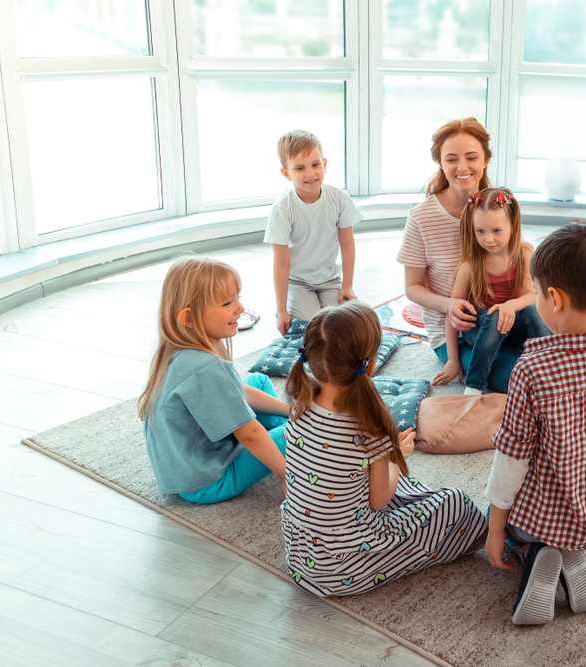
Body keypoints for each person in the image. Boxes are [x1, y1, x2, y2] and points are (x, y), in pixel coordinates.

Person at [483, 223, 586, 625]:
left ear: (553, 298)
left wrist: (495, 528)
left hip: (539, 519)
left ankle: (534, 552)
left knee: (508, 523)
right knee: (573, 513)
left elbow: (512, 458)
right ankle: (573, 549)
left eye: (536, 292)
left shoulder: (533, 368)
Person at [280, 301, 488, 597]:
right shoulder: (369, 428)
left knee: (398, 481)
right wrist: (397, 456)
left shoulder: (299, 408)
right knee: (453, 502)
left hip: (303, 559)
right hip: (345, 567)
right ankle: (462, 540)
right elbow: (378, 502)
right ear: (372, 362)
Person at [397, 118, 550, 393]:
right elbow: (412, 288)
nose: (462, 167)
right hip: (457, 333)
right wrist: (449, 307)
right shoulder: (421, 218)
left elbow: (521, 271)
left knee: (543, 364)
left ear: (486, 160)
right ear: (440, 163)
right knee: (519, 377)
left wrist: (516, 307)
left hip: (507, 320)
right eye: (452, 159)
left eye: (471, 157)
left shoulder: (497, 207)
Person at [138, 257, 289, 504]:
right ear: (188, 318)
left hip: (185, 467)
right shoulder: (204, 366)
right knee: (300, 433)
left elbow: (236, 390)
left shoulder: (178, 350)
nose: (240, 308)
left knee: (258, 382)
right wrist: (285, 474)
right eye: (227, 303)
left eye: (238, 297)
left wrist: (289, 409)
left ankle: (284, 423)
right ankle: (287, 432)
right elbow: (248, 434)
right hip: (208, 481)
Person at [434, 187, 545, 395]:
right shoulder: (471, 263)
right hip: (482, 328)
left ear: (512, 226)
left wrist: (510, 305)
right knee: (494, 316)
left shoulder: (524, 252)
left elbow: (533, 295)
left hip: (511, 325)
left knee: (533, 309)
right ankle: (474, 387)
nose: (488, 240)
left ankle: (550, 362)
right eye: (480, 231)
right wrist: (452, 359)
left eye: (496, 231)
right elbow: (453, 312)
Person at [266, 129, 363, 335]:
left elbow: (347, 243)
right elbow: (281, 262)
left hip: (330, 279)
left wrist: (347, 285)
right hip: (298, 282)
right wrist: (282, 309)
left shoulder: (339, 199)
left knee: (343, 327)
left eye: (315, 165)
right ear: (286, 173)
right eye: (299, 168)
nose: (310, 173)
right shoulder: (282, 209)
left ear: (324, 164)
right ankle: (289, 305)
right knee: (313, 330)